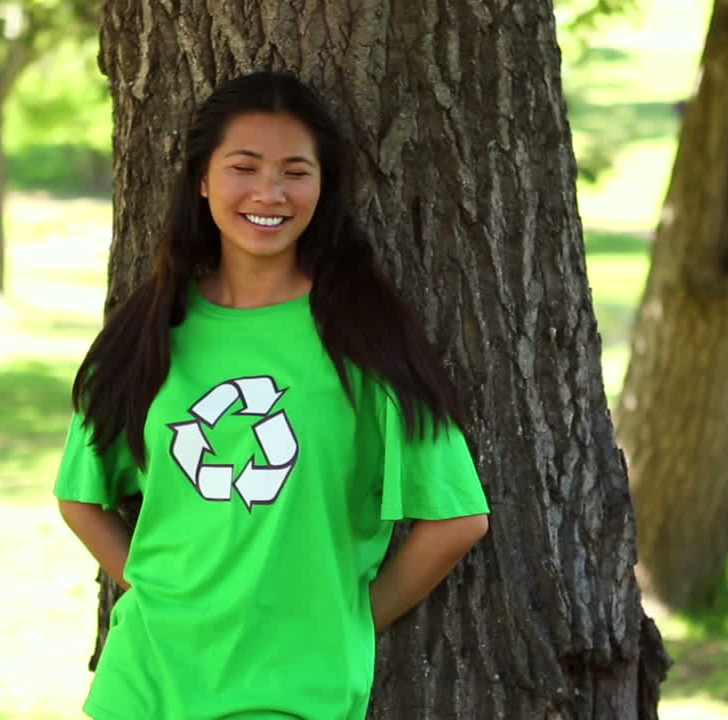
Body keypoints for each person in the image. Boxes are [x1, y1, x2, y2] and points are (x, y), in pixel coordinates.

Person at [54, 71, 489, 720]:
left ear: (323, 187)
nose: (269, 191)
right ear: (202, 179)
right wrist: (158, 588)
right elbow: (80, 494)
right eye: (244, 167)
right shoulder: (152, 331)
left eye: (295, 171)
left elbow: (456, 520)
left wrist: (341, 618)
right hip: (145, 681)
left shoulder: (362, 339)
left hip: (291, 692)